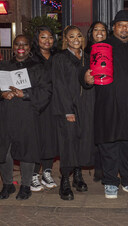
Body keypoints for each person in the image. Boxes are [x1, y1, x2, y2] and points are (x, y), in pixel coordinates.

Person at [83, 10, 128, 199]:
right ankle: (110, 182)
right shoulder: (101, 46)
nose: (124, 28)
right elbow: (87, 72)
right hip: (108, 104)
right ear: (113, 27)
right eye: (120, 25)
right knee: (109, 145)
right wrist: (86, 78)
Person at [0, 34, 52, 200]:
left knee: (27, 151)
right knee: (3, 150)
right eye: (17, 44)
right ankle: (7, 185)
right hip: (5, 115)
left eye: (25, 44)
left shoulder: (38, 68)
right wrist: (1, 94)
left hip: (27, 115)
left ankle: (26, 186)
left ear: (29, 47)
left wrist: (26, 94)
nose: (21, 47)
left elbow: (46, 91)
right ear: (13, 47)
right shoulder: (1, 67)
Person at [51, 25, 95, 200]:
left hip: (85, 107)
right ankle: (64, 181)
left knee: (82, 140)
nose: (76, 39)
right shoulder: (60, 58)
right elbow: (59, 86)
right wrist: (67, 110)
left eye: (79, 36)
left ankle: (78, 176)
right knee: (68, 144)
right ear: (66, 39)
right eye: (72, 36)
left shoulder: (87, 58)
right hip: (67, 107)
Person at [30, 26, 58, 192]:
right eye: (43, 37)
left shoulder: (57, 57)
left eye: (50, 37)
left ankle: (46, 172)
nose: (47, 40)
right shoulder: (31, 58)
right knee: (36, 139)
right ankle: (33, 174)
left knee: (50, 139)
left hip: (54, 104)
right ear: (37, 39)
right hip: (37, 104)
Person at [84, 21, 108, 182]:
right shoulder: (85, 52)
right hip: (90, 96)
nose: (99, 32)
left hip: (107, 95)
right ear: (91, 33)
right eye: (96, 30)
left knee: (106, 135)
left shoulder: (112, 49)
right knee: (92, 134)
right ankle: (96, 167)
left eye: (103, 30)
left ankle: (105, 169)